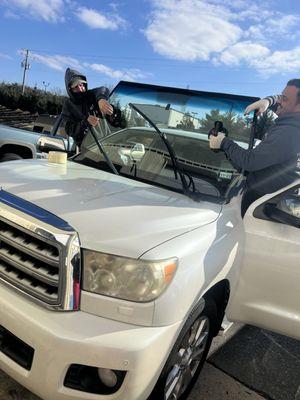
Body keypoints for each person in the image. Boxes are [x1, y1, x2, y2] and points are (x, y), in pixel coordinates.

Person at [209, 79, 300, 215]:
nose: (279, 101)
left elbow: (249, 161)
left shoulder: (290, 132)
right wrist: (268, 101)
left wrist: (223, 142)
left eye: (284, 99)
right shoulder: (290, 123)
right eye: (281, 96)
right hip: (264, 197)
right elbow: (254, 166)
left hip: (263, 205)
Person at [62, 68, 113, 147]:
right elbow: (69, 129)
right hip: (86, 150)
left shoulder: (91, 95)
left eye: (81, 85)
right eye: (76, 87)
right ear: (70, 89)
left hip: (107, 144)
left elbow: (103, 89)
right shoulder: (68, 105)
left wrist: (101, 99)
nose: (80, 88)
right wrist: (85, 123)